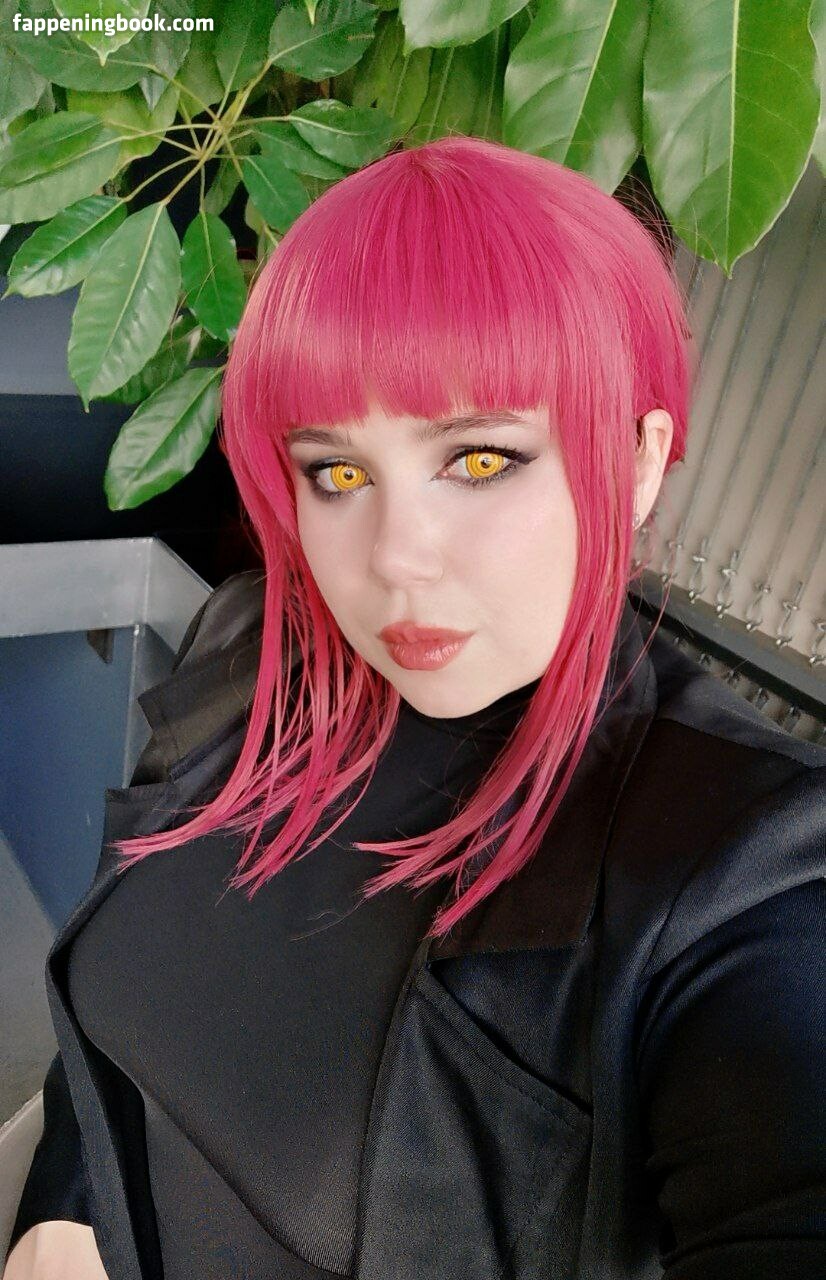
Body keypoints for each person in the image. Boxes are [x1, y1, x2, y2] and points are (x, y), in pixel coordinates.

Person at [5, 136, 825, 1280]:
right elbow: (120, 989)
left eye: (481, 459)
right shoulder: (257, 652)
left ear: (636, 458)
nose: (395, 557)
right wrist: (62, 1214)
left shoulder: (739, 862)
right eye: (338, 473)